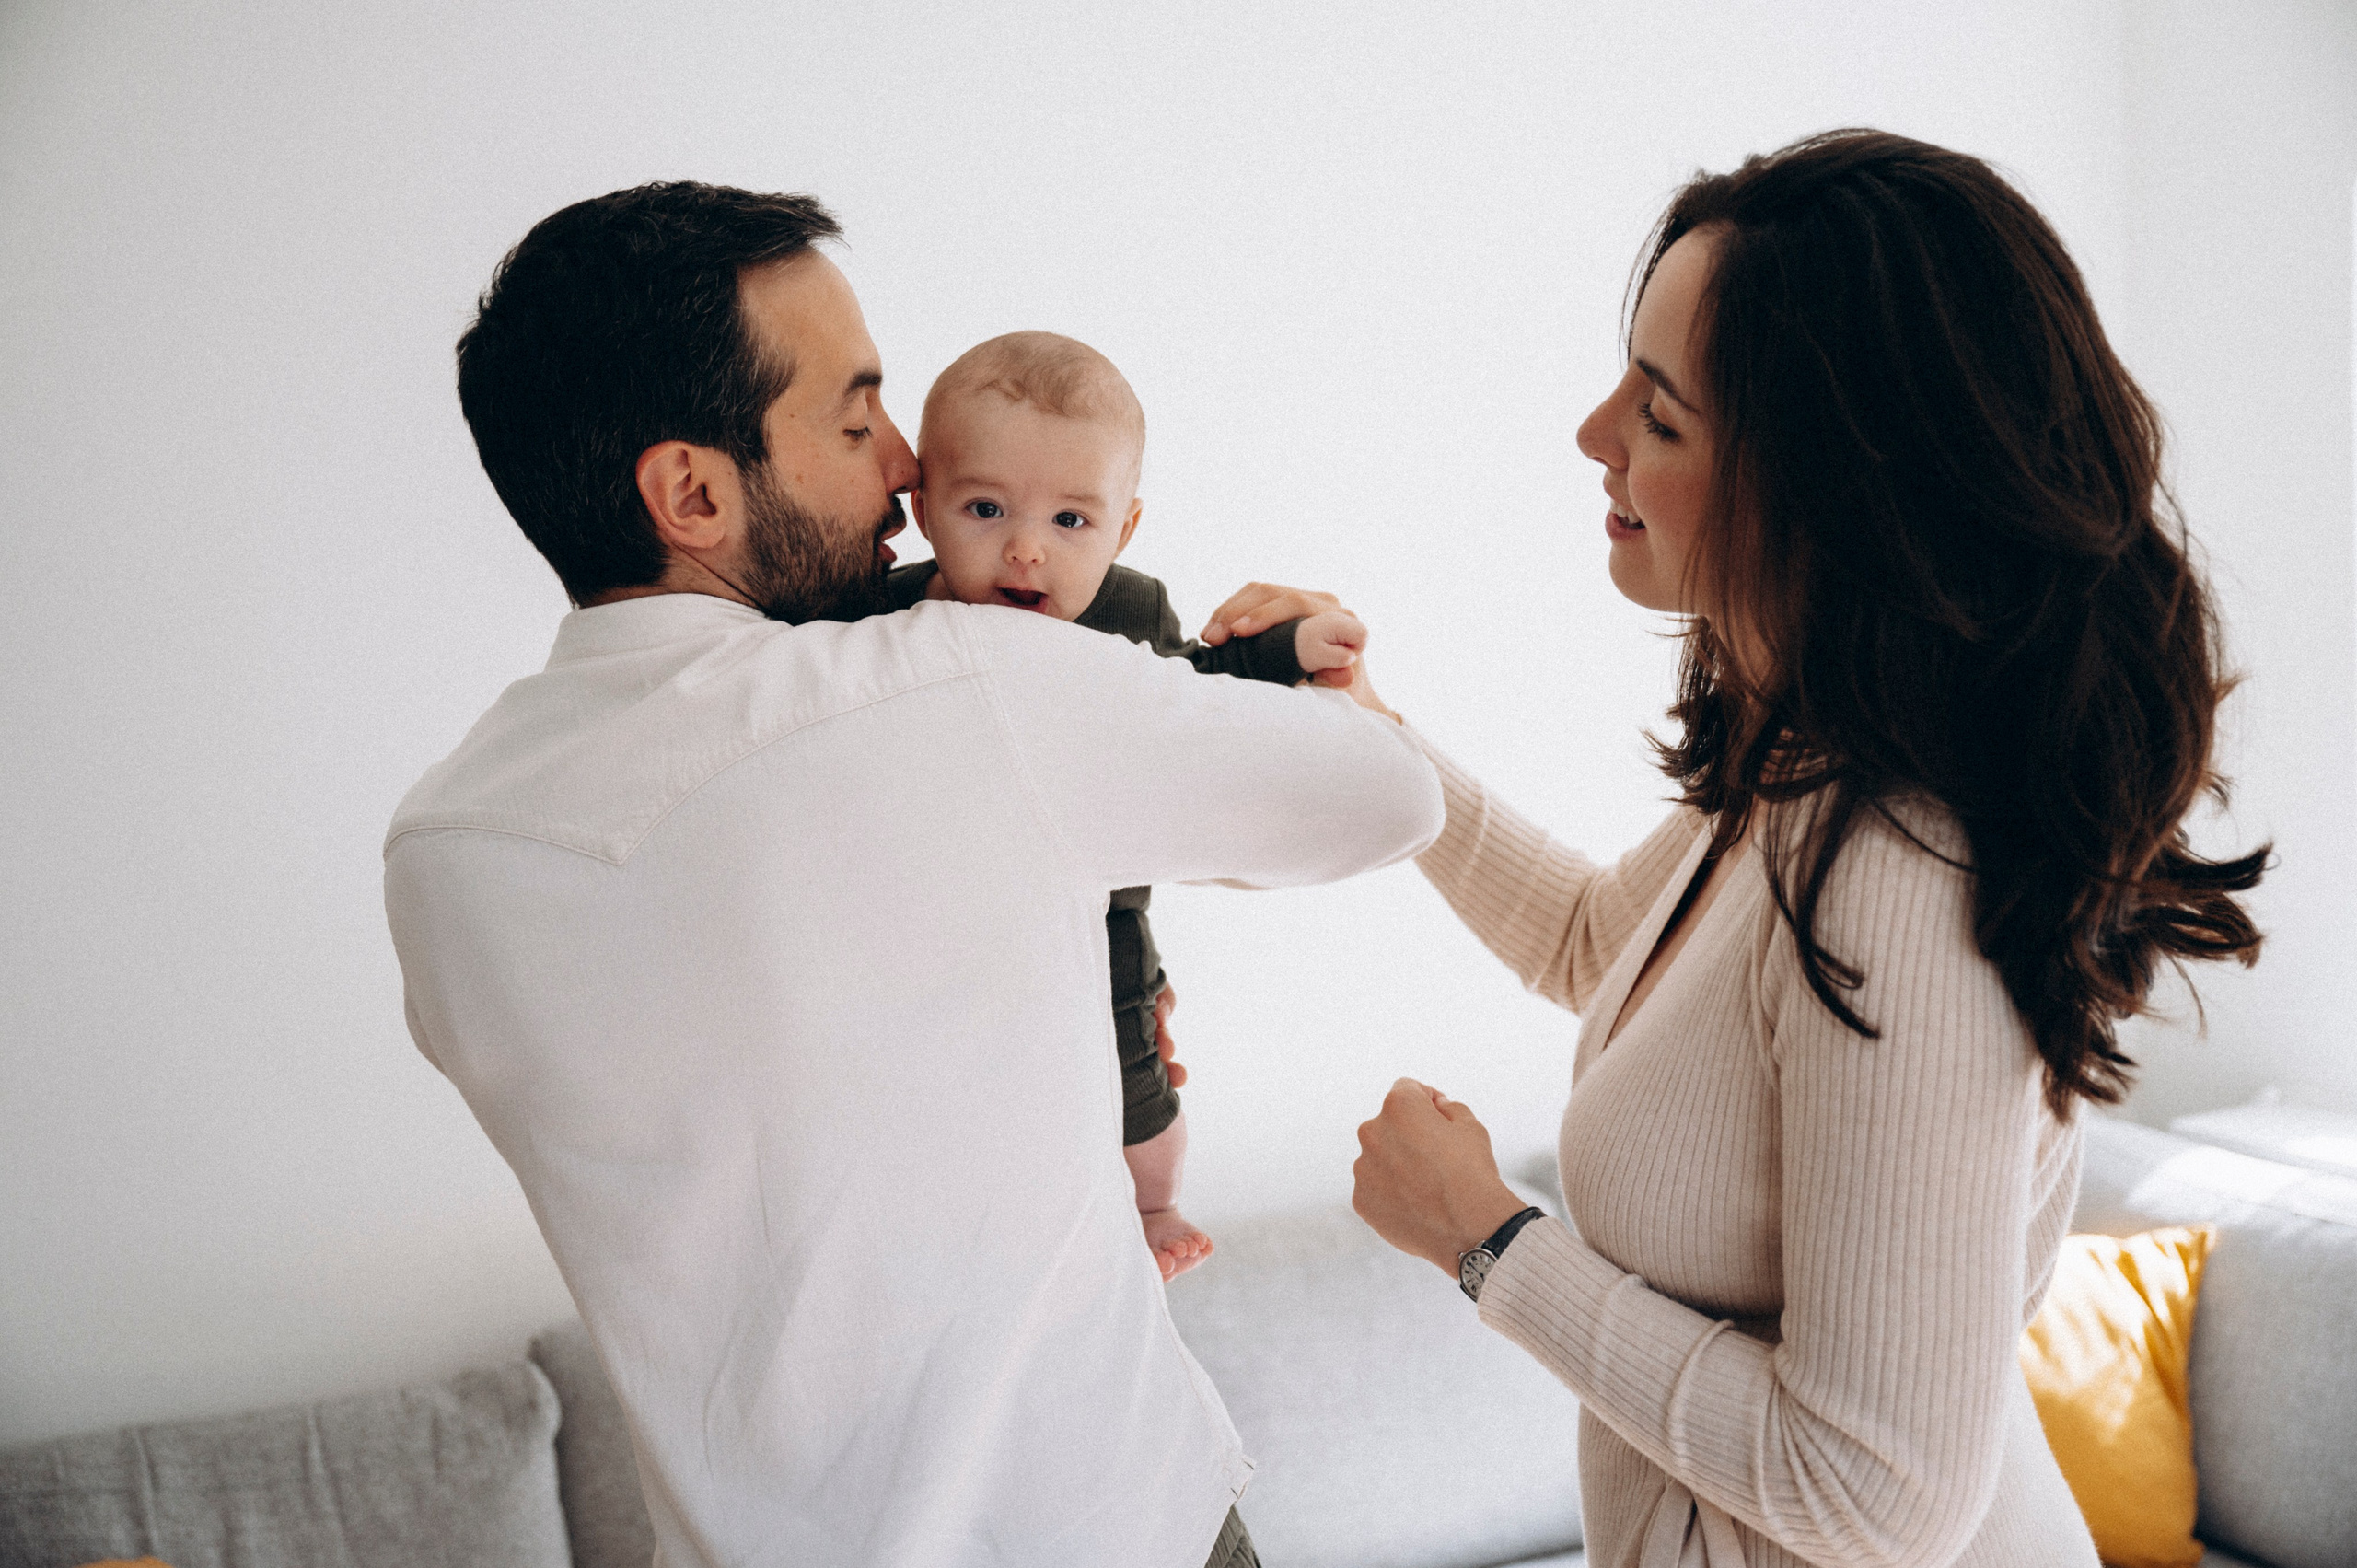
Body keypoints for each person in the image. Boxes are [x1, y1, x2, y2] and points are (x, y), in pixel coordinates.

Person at [382, 182, 1442, 1568]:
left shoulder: (442, 852)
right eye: (853, 412)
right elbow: (1387, 797)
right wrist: (1310, 661)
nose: (900, 459)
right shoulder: (957, 686)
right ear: (692, 490)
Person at [1331, 130, 2269, 1567]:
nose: (1595, 436)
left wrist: (1490, 1241)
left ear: (1824, 486)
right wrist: (1372, 743)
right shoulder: (1807, 760)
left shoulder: (1905, 868)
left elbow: (1873, 1492)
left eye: (1660, 415)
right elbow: (1604, 947)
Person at [887, 330, 1371, 1281]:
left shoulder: (1126, 614)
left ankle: (1152, 1203)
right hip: (944, 920)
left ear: (1124, 529)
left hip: (1101, 910)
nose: (1025, 546)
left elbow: (1206, 677)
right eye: (985, 507)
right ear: (922, 510)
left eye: (1072, 520)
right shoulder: (876, 619)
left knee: (1136, 1072)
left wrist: (1292, 648)